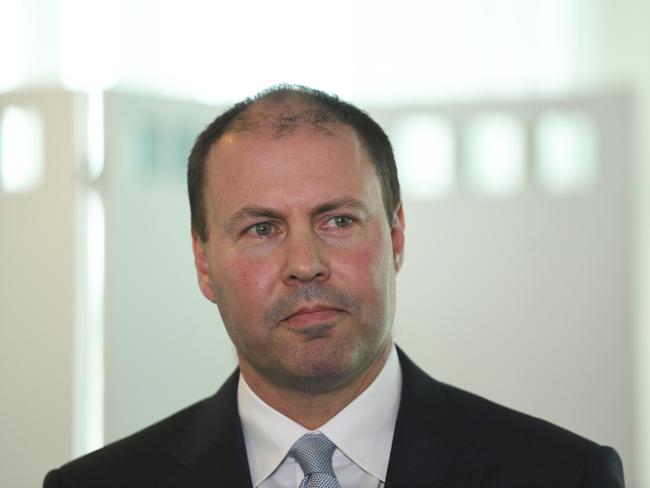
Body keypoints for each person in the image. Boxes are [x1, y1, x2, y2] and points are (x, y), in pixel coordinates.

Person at [44, 85, 625, 487]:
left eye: (338, 221)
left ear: (396, 237)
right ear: (203, 263)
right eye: (262, 228)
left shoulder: (562, 476)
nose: (305, 263)